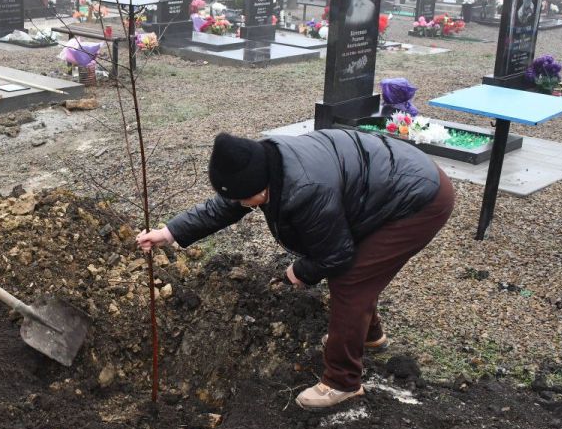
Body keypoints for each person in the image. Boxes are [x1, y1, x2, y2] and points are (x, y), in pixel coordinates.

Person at [136, 130, 454, 410]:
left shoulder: (305, 189)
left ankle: (343, 382)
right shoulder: (262, 164)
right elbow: (228, 204)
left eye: (247, 199)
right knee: (361, 271)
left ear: (259, 186)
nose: (245, 205)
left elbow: (337, 256)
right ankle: (370, 337)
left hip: (419, 200)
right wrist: (170, 232)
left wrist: (299, 272)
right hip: (386, 185)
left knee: (352, 279)